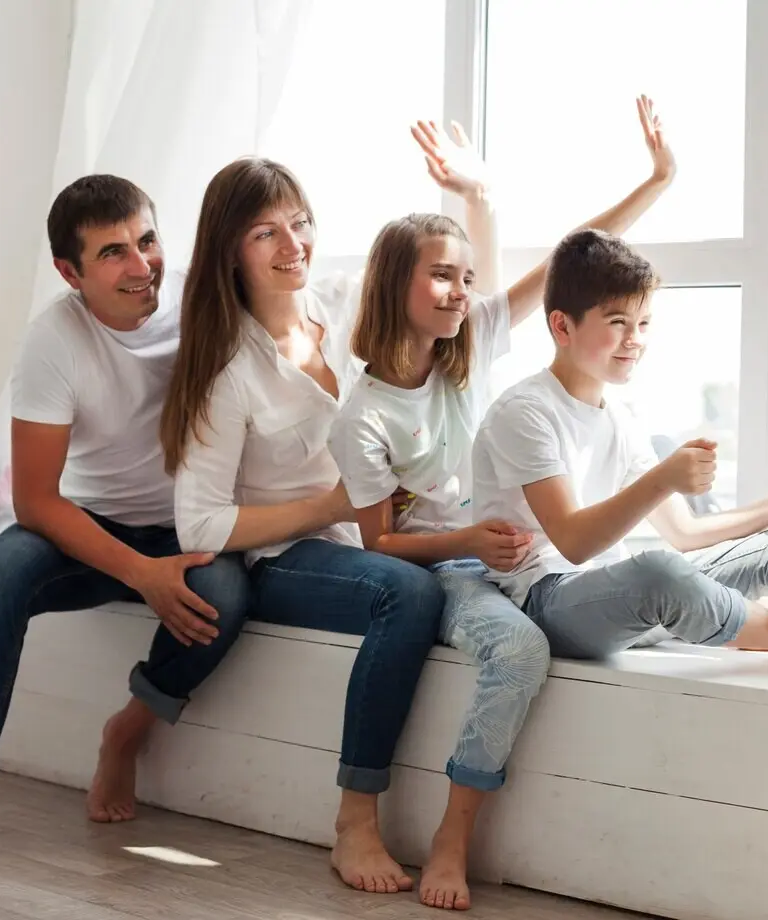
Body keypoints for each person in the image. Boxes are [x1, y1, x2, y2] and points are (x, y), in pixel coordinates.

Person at [328, 96, 676, 912]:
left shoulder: (472, 345)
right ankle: (445, 840)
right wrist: (466, 544)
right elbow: (376, 543)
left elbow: (571, 261)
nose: (459, 293)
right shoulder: (363, 416)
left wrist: (653, 183)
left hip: (516, 559)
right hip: (449, 572)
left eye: (466, 278)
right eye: (441, 276)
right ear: (395, 286)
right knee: (518, 652)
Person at [0, 175, 253, 882]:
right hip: (89, 523)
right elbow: (36, 503)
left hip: (187, 525)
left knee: (223, 595)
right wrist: (139, 572)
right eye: (113, 254)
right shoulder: (54, 340)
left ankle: (124, 737)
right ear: (69, 273)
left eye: (147, 241)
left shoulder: (204, 300)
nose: (142, 267)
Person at [160, 126, 508, 896]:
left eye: (301, 222)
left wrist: (476, 198)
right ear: (231, 250)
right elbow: (203, 527)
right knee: (406, 589)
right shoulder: (226, 372)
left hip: (361, 535)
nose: (294, 243)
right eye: (266, 231)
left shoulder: (343, 314)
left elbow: (472, 302)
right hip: (283, 557)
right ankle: (356, 817)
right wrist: (334, 503)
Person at [470, 228, 768, 700]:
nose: (635, 340)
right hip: (547, 603)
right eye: (617, 322)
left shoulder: (619, 418)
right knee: (659, 574)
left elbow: (687, 533)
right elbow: (574, 542)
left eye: (643, 324)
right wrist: (664, 478)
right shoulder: (524, 412)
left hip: (616, 598)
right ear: (562, 326)